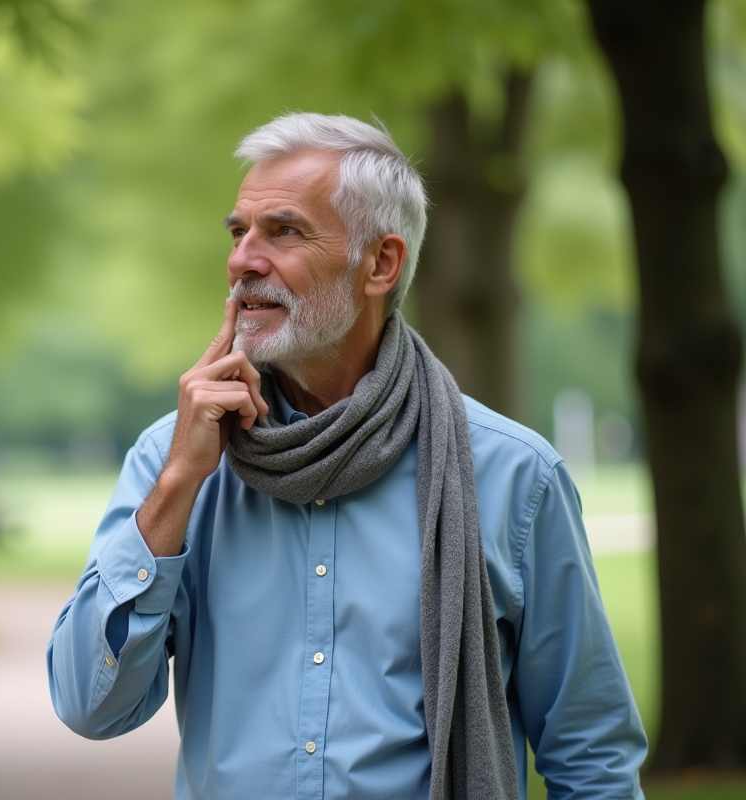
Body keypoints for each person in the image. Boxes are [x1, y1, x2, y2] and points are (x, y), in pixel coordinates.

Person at [47, 112, 647, 800]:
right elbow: (89, 705)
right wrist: (179, 483)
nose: (244, 259)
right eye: (239, 232)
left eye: (284, 231)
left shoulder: (513, 477)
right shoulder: (175, 458)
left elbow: (592, 756)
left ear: (381, 264)